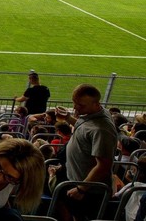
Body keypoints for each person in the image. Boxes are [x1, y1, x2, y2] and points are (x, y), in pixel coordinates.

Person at [58, 84, 118, 221]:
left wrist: (81, 189)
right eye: (74, 102)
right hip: (76, 180)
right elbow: (84, 130)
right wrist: (68, 118)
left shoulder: (101, 129)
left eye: (81, 105)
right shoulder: (93, 114)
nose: (75, 108)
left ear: (96, 104)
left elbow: (104, 165)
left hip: (89, 191)